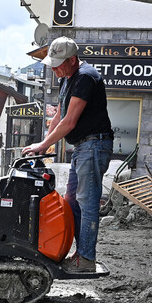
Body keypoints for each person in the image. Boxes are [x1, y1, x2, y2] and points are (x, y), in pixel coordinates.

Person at [22, 36, 113, 273]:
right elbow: (58, 116)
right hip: (82, 147)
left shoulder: (85, 77)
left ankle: (86, 260)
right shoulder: (67, 78)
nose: (54, 68)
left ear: (72, 60)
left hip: (94, 145)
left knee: (87, 202)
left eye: (58, 63)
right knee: (72, 201)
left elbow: (70, 122)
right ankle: (79, 253)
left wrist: (43, 145)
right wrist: (43, 144)